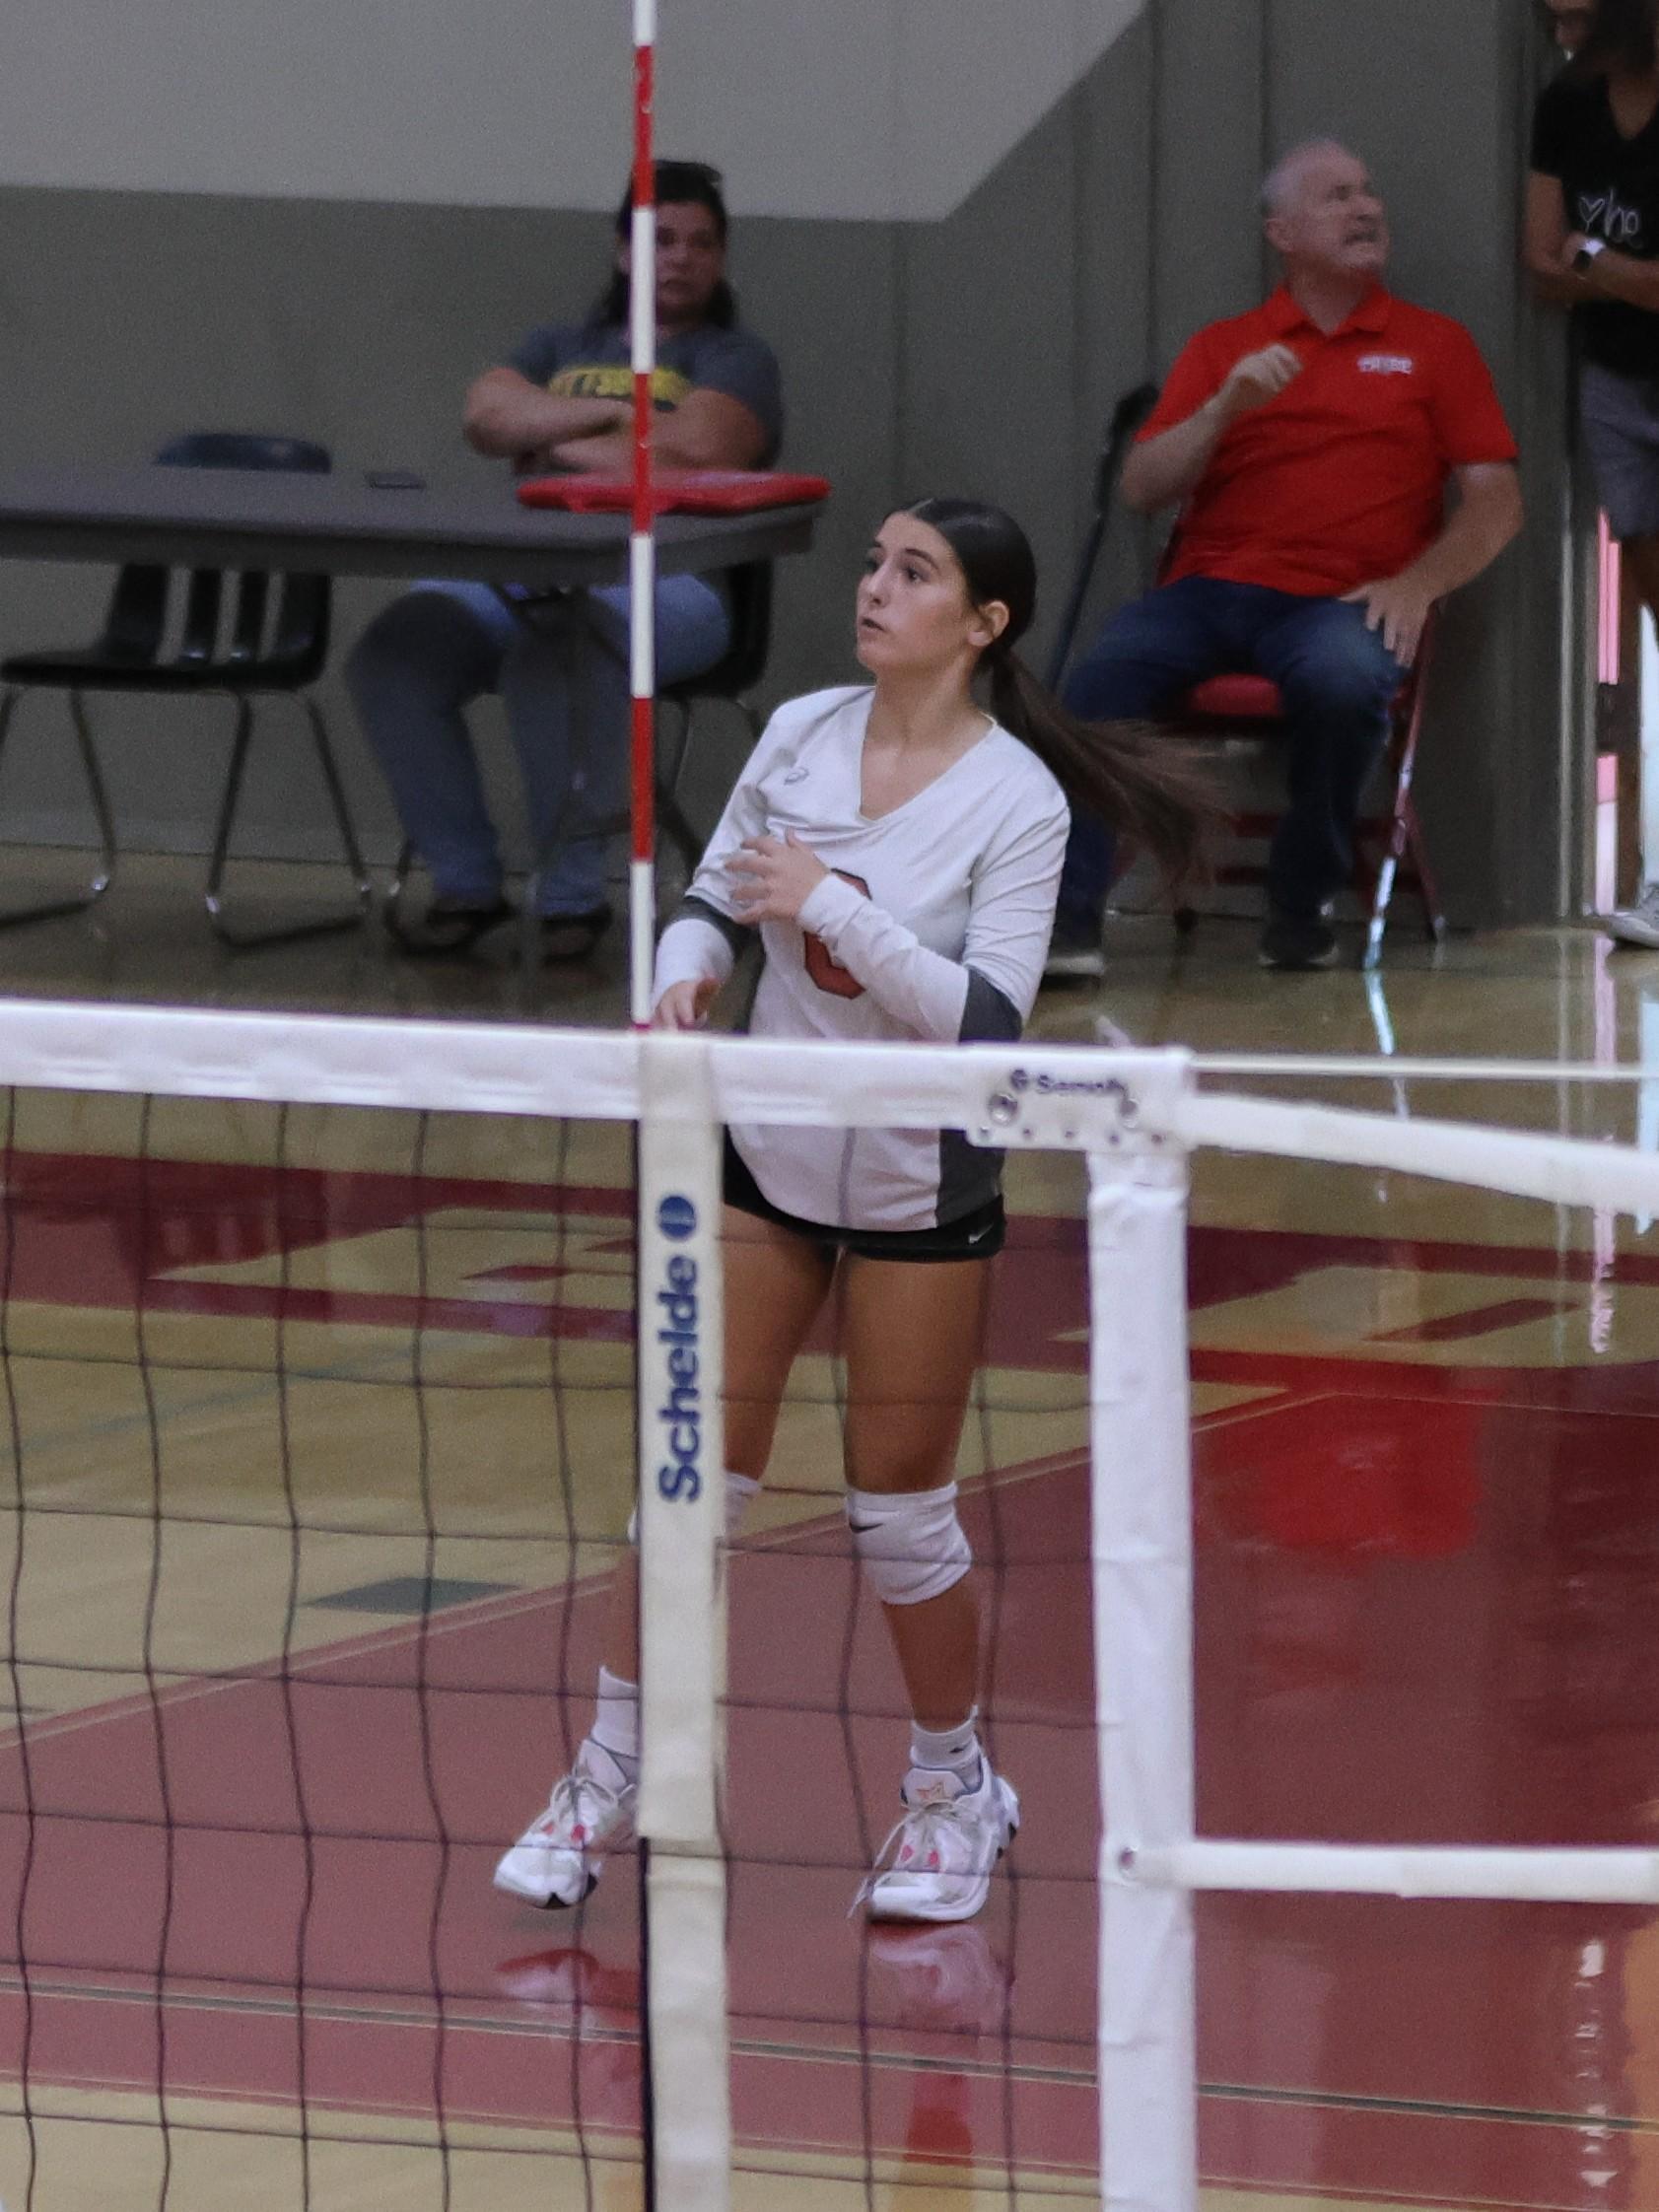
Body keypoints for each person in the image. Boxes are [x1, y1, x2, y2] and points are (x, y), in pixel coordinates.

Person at [493, 498, 1208, 1923]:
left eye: (913, 573)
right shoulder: (803, 730)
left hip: (910, 1182)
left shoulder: (1016, 799)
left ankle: (953, 1790)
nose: (873, 588)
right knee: (683, 1494)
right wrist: (692, 963)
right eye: (875, 563)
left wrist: (828, 908)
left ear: (981, 625)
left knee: (898, 1523)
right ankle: (606, 1768)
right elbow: (711, 891)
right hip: (767, 1159)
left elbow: (986, 1027)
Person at [1049, 140, 1523, 977]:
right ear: (1283, 233)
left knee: (1342, 683)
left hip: (1343, 599)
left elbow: (1498, 501)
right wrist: (1225, 405)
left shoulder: (1432, 345)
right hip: (1209, 590)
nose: (1366, 208)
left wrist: (1419, 585)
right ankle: (1068, 925)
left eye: (1368, 192)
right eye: (1338, 196)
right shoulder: (1224, 346)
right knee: (1094, 688)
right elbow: (1140, 487)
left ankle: (1300, 907)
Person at [347, 162, 783, 960]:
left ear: (719, 259)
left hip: (672, 582)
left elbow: (688, 454)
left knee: (557, 658)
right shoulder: (559, 343)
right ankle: (466, 884)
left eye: (699, 244)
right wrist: (620, 413)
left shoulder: (736, 359)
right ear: (623, 252)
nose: (680, 258)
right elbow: (485, 415)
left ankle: (572, 901)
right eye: (660, 241)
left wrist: (546, 435)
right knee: (396, 653)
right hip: (520, 572)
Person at [1529, 0, 1659, 947]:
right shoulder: (1564, 104)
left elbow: (1572, 256)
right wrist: (1612, 266)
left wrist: (1586, 255)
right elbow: (1539, 266)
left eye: (1576, 9)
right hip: (1615, 385)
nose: (1561, 24)